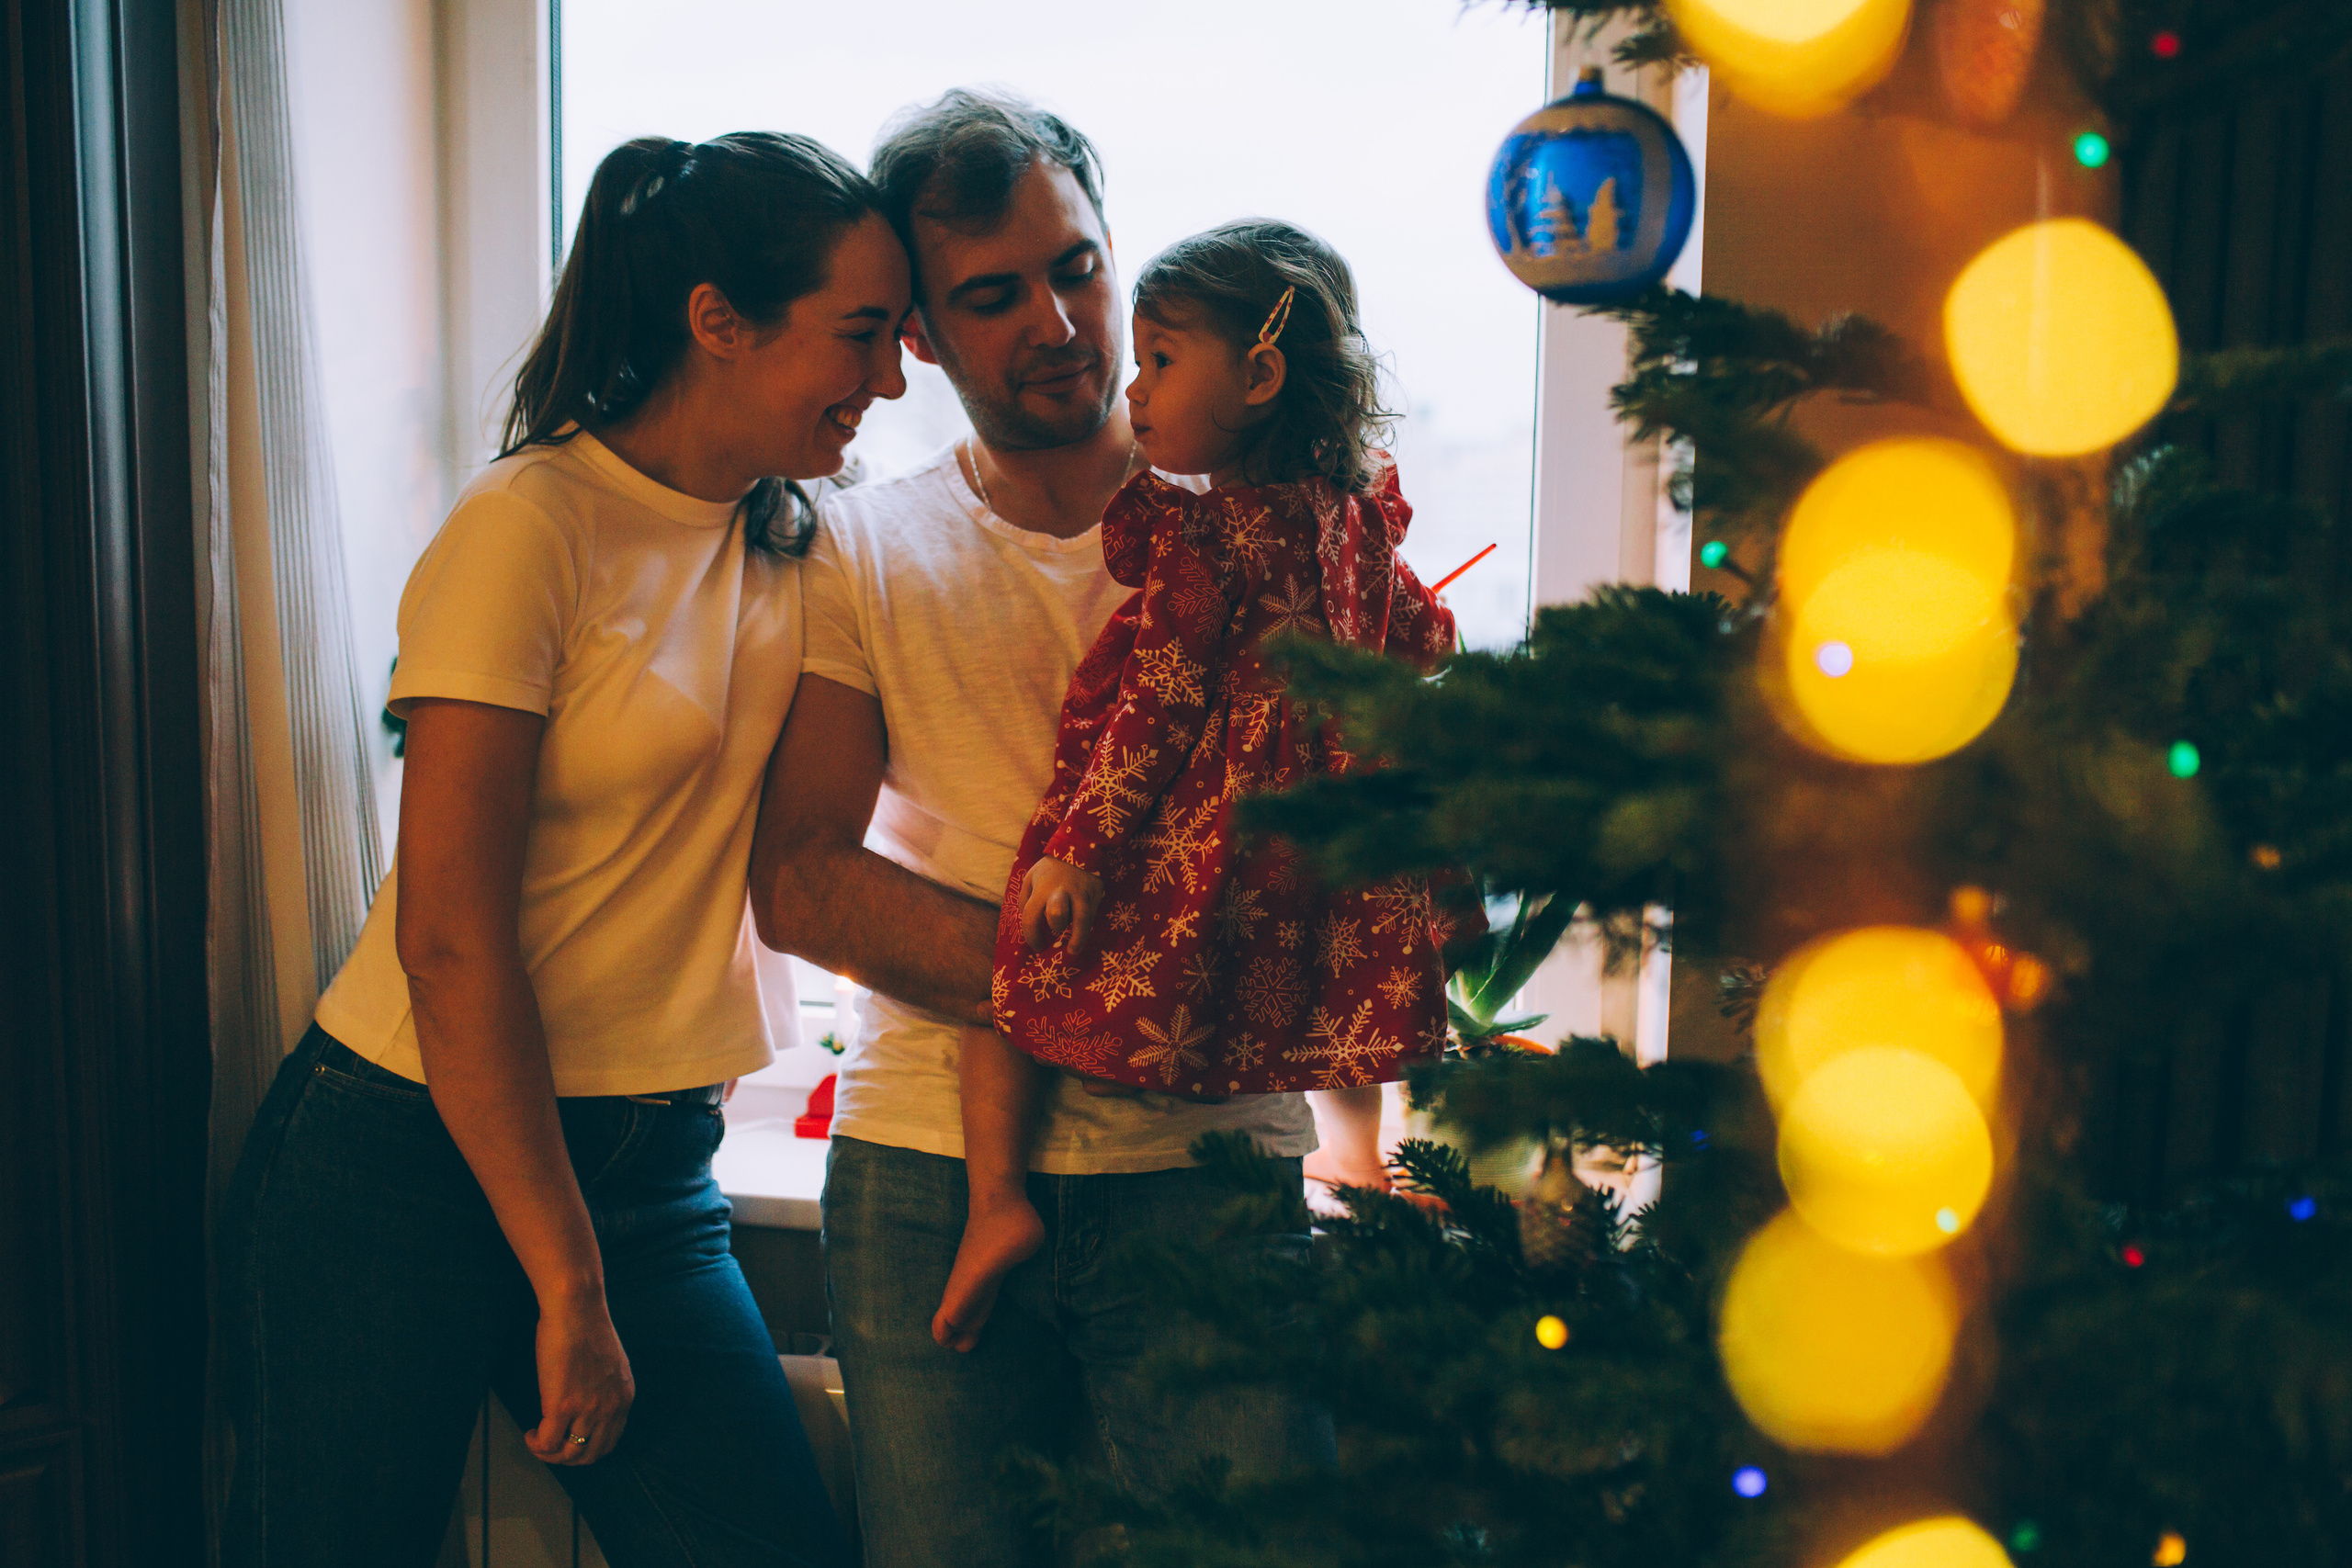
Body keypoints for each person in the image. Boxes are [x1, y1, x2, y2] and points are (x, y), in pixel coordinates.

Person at [220, 132, 907, 1568]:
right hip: (401, 1156)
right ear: (718, 319)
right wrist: (566, 1281)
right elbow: (447, 938)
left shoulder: (802, 540)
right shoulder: (526, 526)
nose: (892, 377)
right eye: (861, 333)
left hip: (647, 1166)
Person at [748, 93, 1334, 1568]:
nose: (1060, 323)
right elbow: (804, 881)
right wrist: (1108, 992)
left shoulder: (1260, 527)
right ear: (923, 333)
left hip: (1215, 1165)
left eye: (1076, 269)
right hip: (925, 1170)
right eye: (993, 295)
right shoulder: (860, 543)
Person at [936, 220, 1468, 1351]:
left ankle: (1002, 1193)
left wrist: (1080, 844)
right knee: (1336, 989)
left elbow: (1162, 702)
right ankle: (1358, 1162)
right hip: (1337, 820)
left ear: (1259, 377)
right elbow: (1420, 630)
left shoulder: (1211, 539)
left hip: (1224, 812)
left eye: (1161, 360)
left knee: (1041, 953)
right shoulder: (1355, 514)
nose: (1132, 388)